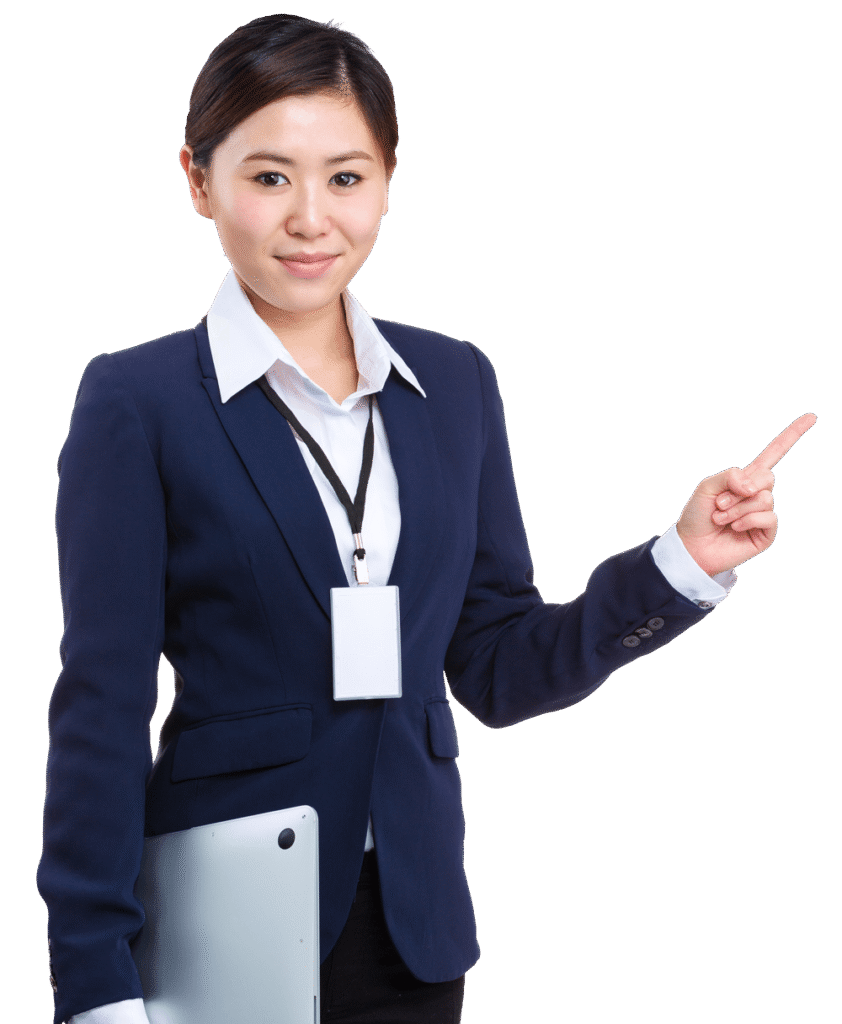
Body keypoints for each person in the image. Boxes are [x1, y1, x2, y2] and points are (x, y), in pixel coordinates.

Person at [36, 12, 816, 1024]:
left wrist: (680, 562)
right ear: (197, 180)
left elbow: (495, 663)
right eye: (268, 176)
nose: (310, 218)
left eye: (345, 177)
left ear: (388, 181)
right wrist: (94, 980)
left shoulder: (452, 381)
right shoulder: (137, 401)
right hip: (226, 914)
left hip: (413, 924)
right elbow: (100, 707)